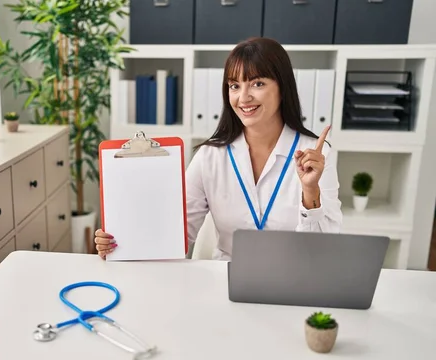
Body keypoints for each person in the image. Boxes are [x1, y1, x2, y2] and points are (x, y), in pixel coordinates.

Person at [95, 37, 343, 260]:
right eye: (234, 85)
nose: (243, 97)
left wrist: (310, 191)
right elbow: (176, 237)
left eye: (257, 84)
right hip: (224, 284)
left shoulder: (316, 155)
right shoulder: (209, 156)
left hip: (292, 283)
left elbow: (322, 251)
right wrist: (122, 243)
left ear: (282, 87)